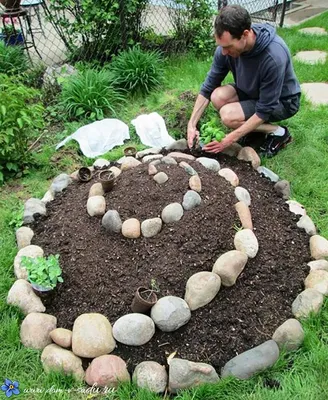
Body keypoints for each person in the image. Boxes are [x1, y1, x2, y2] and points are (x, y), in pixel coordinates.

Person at [187, 5, 301, 157]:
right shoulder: (225, 49)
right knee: (217, 96)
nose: (224, 52)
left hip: (282, 101)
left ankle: (279, 132)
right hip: (253, 92)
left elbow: (264, 109)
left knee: (228, 116)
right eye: (221, 46)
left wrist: (229, 139)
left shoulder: (273, 56)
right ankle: (253, 129)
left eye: (228, 46)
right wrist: (191, 124)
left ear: (245, 34)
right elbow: (208, 87)